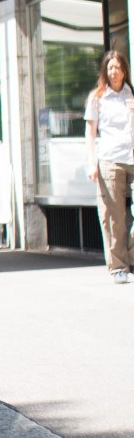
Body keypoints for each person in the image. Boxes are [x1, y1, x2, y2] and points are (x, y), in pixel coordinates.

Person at [84, 50, 134, 283]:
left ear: (125, 69)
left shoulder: (131, 94)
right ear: (105, 71)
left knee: (127, 218)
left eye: (117, 67)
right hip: (110, 160)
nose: (114, 71)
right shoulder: (98, 97)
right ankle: (119, 267)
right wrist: (91, 162)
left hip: (132, 158)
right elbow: (91, 133)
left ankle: (129, 254)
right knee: (115, 216)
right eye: (110, 67)